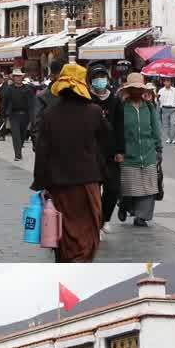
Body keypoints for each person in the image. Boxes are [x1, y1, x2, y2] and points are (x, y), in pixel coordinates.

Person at [31, 63, 110, 263]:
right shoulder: (94, 111)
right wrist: (104, 173)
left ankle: (67, 263)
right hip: (88, 183)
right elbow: (105, 144)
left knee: (63, 230)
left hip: (59, 184)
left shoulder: (50, 114)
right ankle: (81, 262)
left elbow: (42, 152)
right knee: (88, 230)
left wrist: (40, 182)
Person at [113, 73, 161, 228]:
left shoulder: (149, 107)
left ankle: (141, 216)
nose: (137, 92)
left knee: (148, 187)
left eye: (139, 89)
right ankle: (125, 205)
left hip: (148, 152)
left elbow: (156, 128)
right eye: (133, 89)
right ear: (128, 90)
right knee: (129, 187)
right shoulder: (121, 107)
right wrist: (118, 150)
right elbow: (117, 130)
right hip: (128, 153)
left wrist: (158, 149)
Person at [0, 69, 33, 161]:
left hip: (25, 116)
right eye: (16, 76)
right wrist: (2, 115)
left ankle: (19, 148)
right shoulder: (9, 89)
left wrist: (32, 116)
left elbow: (32, 103)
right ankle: (17, 155)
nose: (18, 78)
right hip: (13, 115)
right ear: (13, 78)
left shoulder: (27, 89)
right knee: (16, 135)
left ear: (22, 77)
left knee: (22, 135)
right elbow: (4, 102)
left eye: (19, 76)